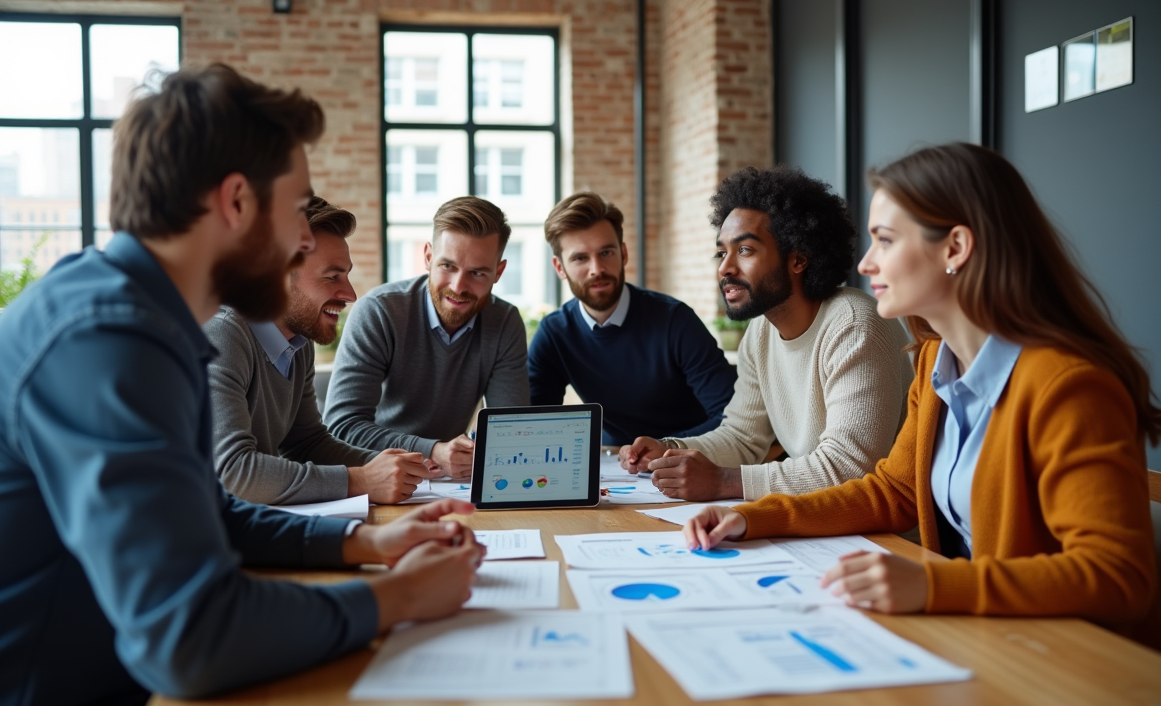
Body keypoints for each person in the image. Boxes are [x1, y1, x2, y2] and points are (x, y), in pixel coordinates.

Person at [0, 64, 485, 706]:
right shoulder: (106, 339)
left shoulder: (139, 314)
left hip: (112, 691)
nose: (304, 238)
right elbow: (190, 635)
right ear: (237, 202)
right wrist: (401, 598)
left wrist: (366, 543)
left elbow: (207, 512)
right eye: (299, 210)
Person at [683, 143, 1159, 647]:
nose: (865, 264)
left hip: (1069, 663)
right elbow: (895, 492)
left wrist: (931, 583)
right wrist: (753, 518)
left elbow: (1117, 577)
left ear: (955, 248)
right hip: (983, 636)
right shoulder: (936, 360)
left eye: (885, 241)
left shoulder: (1067, 386)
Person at [620, 166, 913, 502]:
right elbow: (743, 437)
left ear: (798, 259)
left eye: (745, 250)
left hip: (885, 537)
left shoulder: (855, 324)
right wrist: (670, 451)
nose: (725, 268)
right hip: (824, 527)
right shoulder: (761, 331)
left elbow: (849, 468)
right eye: (722, 252)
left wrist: (723, 482)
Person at [206, 196, 434, 505]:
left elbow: (307, 443)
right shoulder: (221, 336)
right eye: (332, 277)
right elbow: (233, 473)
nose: (350, 294)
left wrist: (398, 466)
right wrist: (363, 480)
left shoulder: (298, 343)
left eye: (347, 274)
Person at [324, 196, 530, 481]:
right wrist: (432, 450)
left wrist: (476, 451)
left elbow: (510, 429)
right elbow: (341, 427)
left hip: (450, 483)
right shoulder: (379, 311)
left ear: (499, 272)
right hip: (377, 474)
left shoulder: (505, 321)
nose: (459, 286)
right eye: (448, 266)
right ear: (428, 257)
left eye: (477, 272)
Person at [528, 192, 737, 446]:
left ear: (623, 253)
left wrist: (665, 446)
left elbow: (732, 417)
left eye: (606, 253)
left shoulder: (674, 320)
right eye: (580, 258)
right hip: (613, 464)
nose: (597, 269)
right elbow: (532, 424)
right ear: (559, 267)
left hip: (688, 459)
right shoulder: (554, 333)